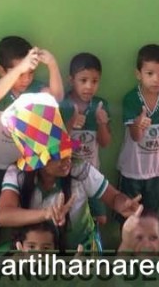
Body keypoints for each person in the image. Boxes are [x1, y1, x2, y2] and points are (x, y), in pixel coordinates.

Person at [0, 93, 140, 252]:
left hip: (79, 250)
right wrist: (45, 214)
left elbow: (113, 197)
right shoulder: (17, 174)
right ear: (38, 162)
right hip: (37, 254)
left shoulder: (80, 169)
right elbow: (3, 216)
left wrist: (123, 205)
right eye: (57, 156)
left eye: (67, 151)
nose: (67, 160)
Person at [0, 36, 64, 250]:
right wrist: (17, 71)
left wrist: (53, 65)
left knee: (24, 218)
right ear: (2, 71)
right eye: (20, 72)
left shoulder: (37, 90)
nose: (25, 78)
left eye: (30, 73)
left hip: (26, 169)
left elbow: (56, 98)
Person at [117, 44, 159, 217]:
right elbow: (135, 137)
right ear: (138, 74)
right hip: (133, 170)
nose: (156, 79)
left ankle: (151, 244)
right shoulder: (130, 99)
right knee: (130, 214)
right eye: (150, 73)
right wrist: (138, 124)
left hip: (157, 170)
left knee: (152, 215)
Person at [59, 53, 112, 227]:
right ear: (71, 80)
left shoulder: (100, 105)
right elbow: (56, 146)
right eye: (83, 80)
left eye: (95, 81)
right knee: (69, 221)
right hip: (67, 176)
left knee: (100, 220)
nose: (89, 86)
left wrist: (102, 123)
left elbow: (105, 143)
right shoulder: (62, 105)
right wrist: (71, 124)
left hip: (93, 174)